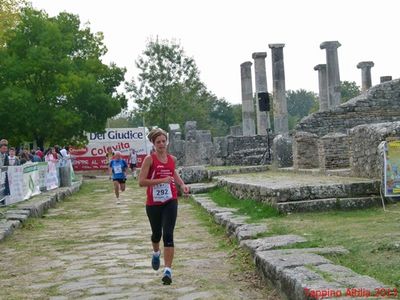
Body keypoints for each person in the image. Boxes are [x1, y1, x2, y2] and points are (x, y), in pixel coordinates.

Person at [138, 128, 189, 285]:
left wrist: (182, 185)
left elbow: (173, 173)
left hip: (170, 200)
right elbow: (141, 182)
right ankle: (155, 252)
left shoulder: (172, 158)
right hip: (153, 203)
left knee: (168, 234)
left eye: (163, 141)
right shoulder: (149, 159)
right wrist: (161, 181)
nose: (161, 144)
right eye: (158, 142)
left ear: (167, 142)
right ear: (153, 144)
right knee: (156, 234)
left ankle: (168, 271)